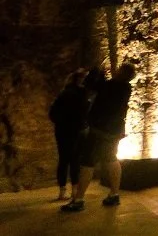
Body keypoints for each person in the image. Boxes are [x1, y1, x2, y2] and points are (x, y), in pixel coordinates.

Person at [62, 63, 136, 212]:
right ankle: (114, 194)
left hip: (99, 131)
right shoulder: (125, 88)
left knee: (87, 163)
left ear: (122, 72)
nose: (117, 70)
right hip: (113, 131)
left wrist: (97, 71)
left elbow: (92, 86)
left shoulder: (113, 86)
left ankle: (78, 199)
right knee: (111, 159)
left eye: (119, 69)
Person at [49, 69, 89, 201]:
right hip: (76, 130)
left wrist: (62, 123)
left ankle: (62, 191)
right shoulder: (82, 93)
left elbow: (52, 114)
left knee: (63, 160)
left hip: (62, 131)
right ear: (81, 80)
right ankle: (75, 191)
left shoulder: (63, 93)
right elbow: (84, 113)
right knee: (75, 161)